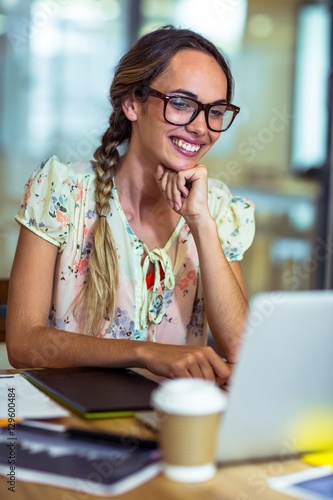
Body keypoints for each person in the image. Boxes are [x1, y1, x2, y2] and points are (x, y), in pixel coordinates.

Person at [6, 25, 255, 385]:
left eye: (215, 111)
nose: (202, 128)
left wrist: (200, 222)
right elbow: (24, 343)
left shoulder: (215, 207)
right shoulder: (63, 190)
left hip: (172, 422)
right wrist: (145, 353)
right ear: (132, 104)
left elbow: (240, 349)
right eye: (182, 104)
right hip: (72, 417)